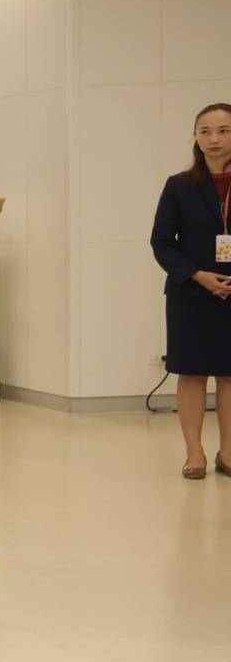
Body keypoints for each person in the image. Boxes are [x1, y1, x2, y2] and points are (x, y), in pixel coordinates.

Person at [151, 102, 231, 478]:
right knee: (193, 373)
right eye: (205, 131)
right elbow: (162, 242)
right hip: (191, 294)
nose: (214, 138)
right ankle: (194, 453)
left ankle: (228, 452)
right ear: (196, 137)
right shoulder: (179, 185)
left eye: (224, 131)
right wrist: (197, 275)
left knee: (229, 374)